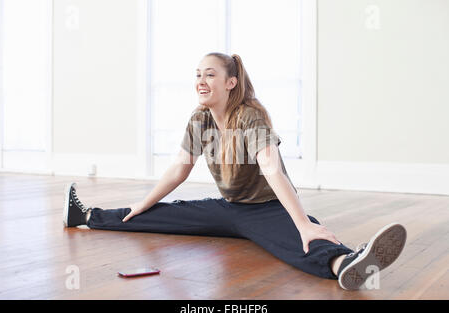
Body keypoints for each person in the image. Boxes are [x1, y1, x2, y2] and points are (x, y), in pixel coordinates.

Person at [63, 52, 407, 290]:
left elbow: (273, 169)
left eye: (209, 74)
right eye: (198, 74)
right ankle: (85, 216)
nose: (200, 80)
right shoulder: (200, 119)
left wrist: (302, 222)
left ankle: (345, 263)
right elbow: (178, 171)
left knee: (301, 237)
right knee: (158, 213)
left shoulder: (250, 115)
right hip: (229, 209)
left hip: (268, 208)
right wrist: (143, 203)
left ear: (230, 83)